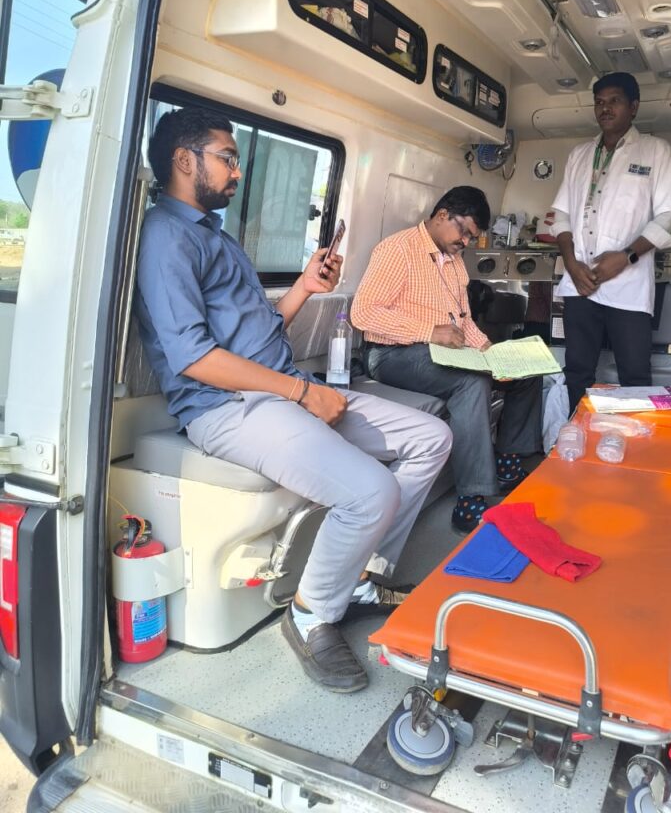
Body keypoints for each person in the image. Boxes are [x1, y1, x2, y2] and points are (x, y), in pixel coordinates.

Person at [135, 107, 452, 694]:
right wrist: (304, 391)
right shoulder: (166, 238)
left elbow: (258, 332)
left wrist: (305, 287)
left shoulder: (215, 235)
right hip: (224, 408)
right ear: (184, 160)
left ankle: (358, 577)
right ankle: (310, 615)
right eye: (226, 158)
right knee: (371, 491)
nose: (236, 171)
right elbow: (193, 358)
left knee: (432, 438)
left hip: (276, 389)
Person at [351, 186, 542, 535]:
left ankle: (507, 464)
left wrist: (489, 351)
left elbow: (464, 322)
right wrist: (429, 331)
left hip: (440, 351)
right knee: (471, 381)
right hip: (391, 355)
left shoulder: (454, 262)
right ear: (442, 216)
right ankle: (471, 499)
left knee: (526, 373)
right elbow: (363, 314)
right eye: (464, 232)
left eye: (471, 237)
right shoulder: (397, 249)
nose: (465, 242)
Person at [550, 72, 671, 414]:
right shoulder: (580, 154)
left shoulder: (655, 151)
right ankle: (577, 436)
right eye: (599, 102)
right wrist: (571, 264)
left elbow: (670, 213)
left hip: (628, 286)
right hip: (580, 283)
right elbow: (560, 215)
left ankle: (634, 442)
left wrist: (626, 257)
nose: (605, 108)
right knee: (577, 371)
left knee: (635, 374)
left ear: (634, 107)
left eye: (615, 101)